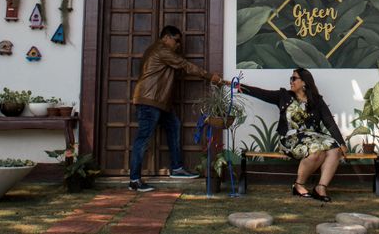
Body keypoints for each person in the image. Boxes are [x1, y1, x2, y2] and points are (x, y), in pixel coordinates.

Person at [129, 25, 222, 192]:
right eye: (176, 40)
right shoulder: (161, 50)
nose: (178, 45)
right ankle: (134, 180)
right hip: (150, 101)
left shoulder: (157, 50)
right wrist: (210, 76)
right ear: (166, 38)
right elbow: (185, 65)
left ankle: (177, 169)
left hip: (159, 102)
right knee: (143, 139)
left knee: (174, 126)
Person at [238, 67, 346, 202]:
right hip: (291, 138)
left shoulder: (316, 100)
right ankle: (298, 185)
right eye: (291, 78)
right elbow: (262, 93)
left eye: (294, 78)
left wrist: (341, 142)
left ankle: (320, 188)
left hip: (314, 138)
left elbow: (329, 122)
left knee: (335, 149)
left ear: (304, 82)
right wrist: (237, 86)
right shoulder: (284, 96)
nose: (291, 81)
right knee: (317, 151)